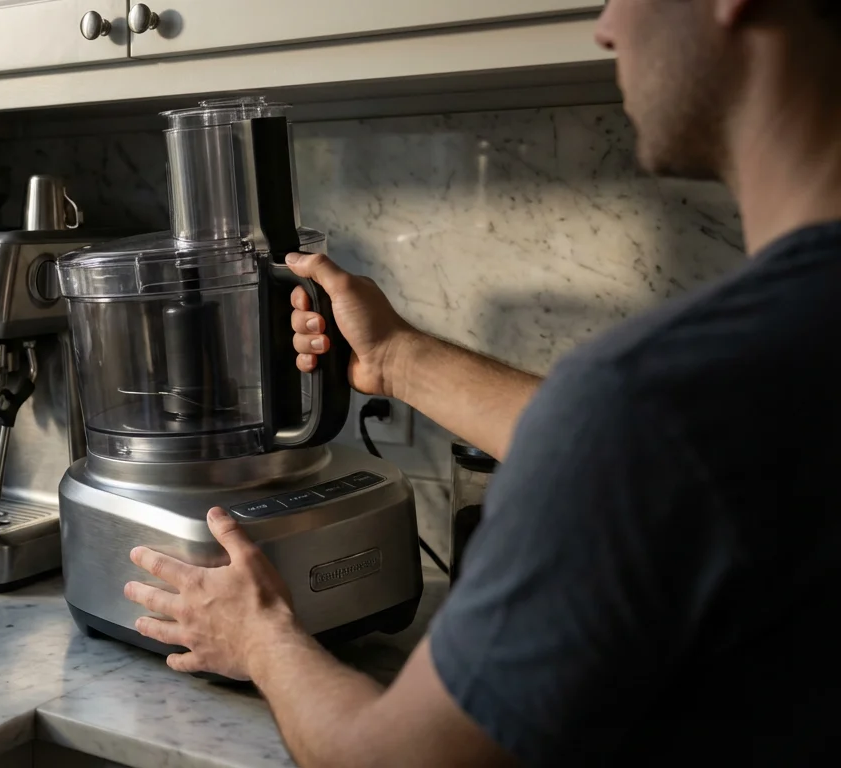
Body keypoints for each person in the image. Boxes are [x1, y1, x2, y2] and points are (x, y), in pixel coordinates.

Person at [121, 0, 841, 765]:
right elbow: (657, 456)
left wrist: (259, 637)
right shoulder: (732, 384)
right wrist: (394, 355)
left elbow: (392, 761)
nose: (606, 27)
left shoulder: (649, 404)